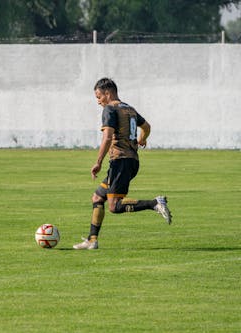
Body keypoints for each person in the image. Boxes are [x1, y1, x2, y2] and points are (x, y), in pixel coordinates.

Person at [73, 78, 172, 250]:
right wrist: (142, 139)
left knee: (114, 206)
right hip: (131, 161)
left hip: (121, 162)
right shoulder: (129, 109)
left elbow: (108, 137)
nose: (98, 101)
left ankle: (155, 203)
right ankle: (92, 240)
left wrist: (97, 162)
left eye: (98, 97)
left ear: (108, 93)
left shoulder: (109, 109)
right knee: (98, 197)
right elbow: (146, 126)